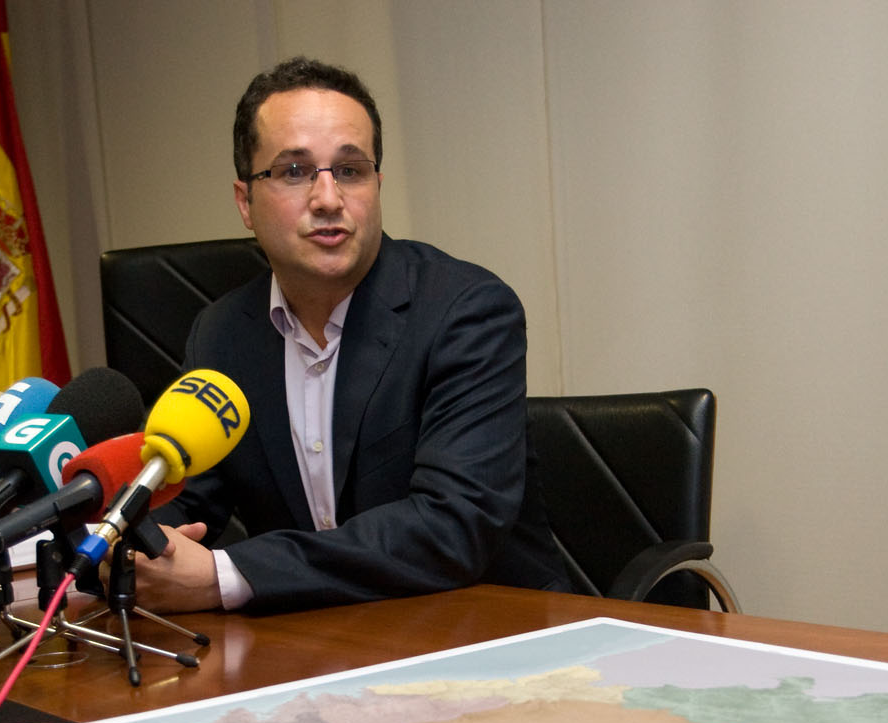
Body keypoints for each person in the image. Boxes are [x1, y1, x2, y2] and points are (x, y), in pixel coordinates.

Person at [133, 56, 569, 614]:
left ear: (377, 185)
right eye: (294, 171)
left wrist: (226, 573)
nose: (328, 199)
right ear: (245, 202)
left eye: (350, 170)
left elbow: (451, 527)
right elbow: (187, 496)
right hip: (322, 642)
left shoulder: (465, 311)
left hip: (490, 634)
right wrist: (139, 547)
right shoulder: (222, 334)